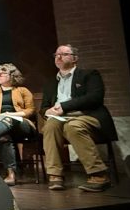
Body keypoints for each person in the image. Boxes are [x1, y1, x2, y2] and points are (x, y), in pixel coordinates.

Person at [41, 44, 117, 192]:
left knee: (73, 126)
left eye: (63, 54)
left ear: (75, 58)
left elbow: (95, 98)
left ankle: (99, 175)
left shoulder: (89, 74)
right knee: (49, 126)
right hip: (59, 118)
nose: (58, 57)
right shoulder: (50, 83)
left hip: (87, 115)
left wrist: (64, 106)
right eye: (56, 54)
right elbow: (43, 107)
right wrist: (47, 112)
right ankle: (55, 175)